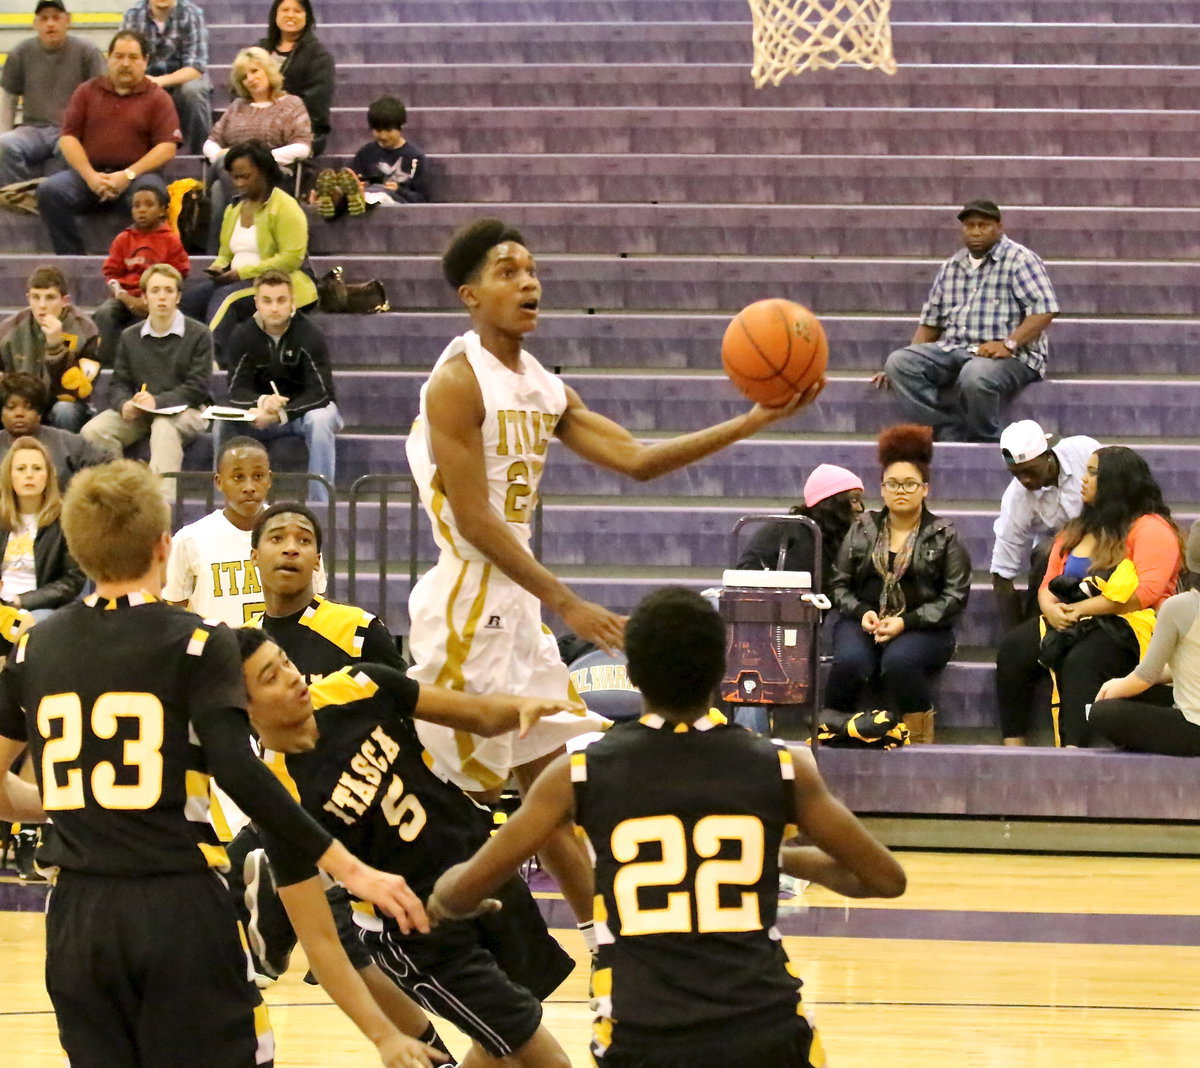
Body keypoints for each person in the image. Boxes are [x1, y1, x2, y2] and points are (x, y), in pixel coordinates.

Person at [406, 217, 825, 942]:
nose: (528, 281)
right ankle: (412, 927)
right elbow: (475, 521)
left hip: (515, 602)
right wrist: (564, 600)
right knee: (457, 795)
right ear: (470, 295)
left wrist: (751, 420)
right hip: (469, 600)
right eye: (508, 271)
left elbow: (636, 458)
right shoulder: (455, 381)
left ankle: (609, 937)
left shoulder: (542, 386)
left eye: (532, 268)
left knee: (555, 786)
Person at [0, 459, 436, 1068]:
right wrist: (351, 868)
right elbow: (239, 770)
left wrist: (77, 804)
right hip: (178, 904)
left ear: (75, 548)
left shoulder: (34, 646)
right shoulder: (199, 640)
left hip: (77, 913)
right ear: (162, 547)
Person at [429, 586, 906, 1068]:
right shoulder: (785, 766)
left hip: (644, 1035)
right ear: (721, 670)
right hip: (767, 1030)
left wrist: (453, 894)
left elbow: (456, 895)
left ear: (632, 675)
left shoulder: (577, 773)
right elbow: (884, 879)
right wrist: (776, 858)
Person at [237, 627, 579, 1066]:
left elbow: (478, 715)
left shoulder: (357, 685)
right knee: (546, 1059)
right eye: (270, 677)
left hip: (479, 872)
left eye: (285, 660)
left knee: (503, 1044)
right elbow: (320, 942)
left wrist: (525, 709)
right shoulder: (276, 797)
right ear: (242, 708)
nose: (291, 676)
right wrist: (382, 1037)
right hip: (421, 932)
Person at [994, 446, 1184, 748]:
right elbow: (1047, 583)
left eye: (1093, 472)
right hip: (1073, 618)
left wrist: (1082, 609)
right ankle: (1012, 747)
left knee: (1082, 661)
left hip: (1130, 624)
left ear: (1117, 481)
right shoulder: (1076, 529)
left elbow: (1144, 593)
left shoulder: (1151, 528)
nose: (1083, 479)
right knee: (1014, 649)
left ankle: (1073, 750)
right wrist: (1052, 610)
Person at [826, 424, 971, 744]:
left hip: (925, 627)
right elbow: (838, 585)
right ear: (882, 489)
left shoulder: (944, 534)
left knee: (898, 663)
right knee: (851, 662)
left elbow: (955, 596)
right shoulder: (862, 528)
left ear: (925, 489)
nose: (901, 490)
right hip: (864, 620)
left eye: (910, 484)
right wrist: (862, 611)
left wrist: (905, 622)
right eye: (893, 483)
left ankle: (919, 742)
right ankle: (831, 733)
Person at [874, 199, 1060, 443]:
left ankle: (986, 437)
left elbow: (1044, 310)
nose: (975, 232)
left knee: (975, 375)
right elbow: (931, 323)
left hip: (1014, 356)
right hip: (957, 348)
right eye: (969, 225)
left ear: (999, 227)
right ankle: (945, 428)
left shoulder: (1020, 259)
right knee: (899, 362)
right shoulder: (952, 266)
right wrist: (900, 364)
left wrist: (1008, 344)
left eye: (983, 225)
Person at [35, 29, 181, 255]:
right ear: (108, 58)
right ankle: (73, 261)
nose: (125, 63)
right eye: (119, 56)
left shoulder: (158, 98)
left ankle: (141, 263)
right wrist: (90, 176)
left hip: (137, 178)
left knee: (150, 197)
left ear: (145, 61)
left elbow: (167, 148)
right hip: (89, 177)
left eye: (133, 57)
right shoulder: (86, 92)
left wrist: (127, 175)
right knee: (50, 192)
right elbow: (68, 138)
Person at [80, 263, 211, 502]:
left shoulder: (199, 334)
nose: (162, 297)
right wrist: (124, 404)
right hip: (142, 410)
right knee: (93, 431)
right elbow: (118, 383)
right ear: (144, 296)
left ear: (178, 297)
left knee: (163, 426)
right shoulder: (130, 336)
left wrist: (157, 402)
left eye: (169, 291)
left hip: (188, 411)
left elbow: (196, 388)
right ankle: (120, 497)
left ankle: (161, 507)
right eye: (155, 290)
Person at [180, 139, 318, 361]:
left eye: (245, 176)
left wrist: (242, 273)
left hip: (280, 281)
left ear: (264, 172)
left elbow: (291, 259)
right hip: (238, 279)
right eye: (235, 177)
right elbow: (226, 252)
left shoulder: (286, 207)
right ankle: (185, 358)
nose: (239, 183)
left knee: (226, 299)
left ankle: (213, 363)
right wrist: (218, 267)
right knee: (189, 301)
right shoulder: (233, 208)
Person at [217, 270, 341, 503]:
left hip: (302, 414)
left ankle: (321, 503)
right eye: (267, 301)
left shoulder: (310, 335)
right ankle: (227, 502)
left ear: (292, 302)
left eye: (281, 300)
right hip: (261, 413)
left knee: (321, 419)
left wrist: (282, 413)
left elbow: (322, 392)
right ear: (256, 303)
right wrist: (262, 402)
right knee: (222, 422)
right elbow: (236, 389)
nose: (274, 308)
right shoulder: (242, 335)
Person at [1090, 521, 1200, 757]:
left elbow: (1146, 676)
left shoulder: (1179, 607)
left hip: (1194, 729)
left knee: (1101, 712)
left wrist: (1114, 687)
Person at [991, 419, 1100, 631]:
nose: (1025, 480)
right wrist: (1014, 635)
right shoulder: (1017, 498)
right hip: (1060, 561)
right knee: (1045, 553)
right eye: (1016, 474)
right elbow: (1001, 574)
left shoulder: (1085, 452)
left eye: (1030, 471)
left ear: (1048, 456)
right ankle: (1034, 633)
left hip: (1107, 542)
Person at [202, 47, 312, 250]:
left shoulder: (291, 104)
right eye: (244, 76)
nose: (250, 79)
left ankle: (218, 256)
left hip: (273, 175)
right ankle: (239, 236)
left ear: (268, 70)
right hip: (233, 176)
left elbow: (303, 147)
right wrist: (220, 155)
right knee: (219, 187)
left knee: (219, 186)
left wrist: (258, 159)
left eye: (255, 71)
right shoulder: (237, 106)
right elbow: (210, 142)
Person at [0, 0, 105, 187]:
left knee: (70, 150)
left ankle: (56, 197)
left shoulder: (88, 52)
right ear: (35, 24)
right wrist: (4, 131)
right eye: (44, 19)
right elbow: (9, 97)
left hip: (71, 131)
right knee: (4, 145)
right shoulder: (20, 53)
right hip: (32, 130)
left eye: (56, 18)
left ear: (68, 21)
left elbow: (102, 97)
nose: (50, 24)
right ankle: (18, 197)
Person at [93, 183, 191, 366]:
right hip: (124, 297)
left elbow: (179, 274)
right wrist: (126, 297)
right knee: (104, 313)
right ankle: (107, 365)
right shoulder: (123, 239)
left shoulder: (170, 240)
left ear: (162, 211)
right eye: (136, 206)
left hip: (157, 296)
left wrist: (151, 298)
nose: (142, 210)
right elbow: (111, 276)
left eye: (148, 205)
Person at [0, 264, 100, 432]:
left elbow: (78, 390)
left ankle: (66, 457)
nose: (42, 305)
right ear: (28, 298)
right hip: (19, 402)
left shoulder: (85, 330)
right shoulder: (9, 329)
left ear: (65, 301)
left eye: (50, 297)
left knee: (65, 410)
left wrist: (56, 346)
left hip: (63, 402)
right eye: (35, 297)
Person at [0, 435, 84, 620]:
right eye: (21, 469)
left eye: (37, 468)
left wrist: (21, 601)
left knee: (36, 622)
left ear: (49, 475)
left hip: (40, 609)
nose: (29, 475)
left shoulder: (66, 521)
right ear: (9, 475)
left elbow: (72, 582)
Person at [736, 462, 865, 580]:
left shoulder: (839, 537)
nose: (860, 508)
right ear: (831, 502)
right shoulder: (792, 534)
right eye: (854, 500)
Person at [314, 94, 429, 218]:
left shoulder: (415, 157)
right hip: (366, 195)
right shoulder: (366, 153)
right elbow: (351, 178)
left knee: (381, 194)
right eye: (378, 130)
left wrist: (397, 189)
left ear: (401, 127)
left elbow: (421, 198)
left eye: (389, 130)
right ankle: (335, 197)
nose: (383, 136)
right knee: (360, 193)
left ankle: (347, 199)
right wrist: (359, 185)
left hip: (396, 203)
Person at [120, 0, 211, 154]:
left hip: (184, 81)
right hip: (144, 80)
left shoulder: (193, 14)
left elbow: (196, 68)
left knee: (193, 91)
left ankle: (201, 156)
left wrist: (160, 81)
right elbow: (125, 58)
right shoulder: (133, 15)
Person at [0, 374, 108, 490]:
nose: (19, 413)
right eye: (11, 408)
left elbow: (110, 466)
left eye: (28, 408)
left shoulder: (67, 442)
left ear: (40, 413)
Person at [260, 0, 335, 155]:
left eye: (297, 11)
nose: (290, 15)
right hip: (257, 126)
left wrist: (276, 120)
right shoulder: (260, 49)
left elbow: (315, 108)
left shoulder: (319, 56)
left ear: (307, 16)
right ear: (275, 14)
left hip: (300, 132)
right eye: (285, 10)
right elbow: (240, 87)